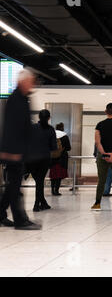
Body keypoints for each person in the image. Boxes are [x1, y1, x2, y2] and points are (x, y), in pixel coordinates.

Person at [0, 69, 41, 230]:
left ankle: (2, 214)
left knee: (13, 186)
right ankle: (20, 220)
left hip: (18, 150)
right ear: (22, 82)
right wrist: (12, 151)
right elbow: (11, 127)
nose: (33, 84)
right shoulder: (15, 99)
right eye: (30, 81)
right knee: (14, 187)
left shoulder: (22, 99)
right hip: (13, 151)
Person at [26, 109, 57, 212]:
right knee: (40, 182)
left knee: (38, 181)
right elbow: (54, 147)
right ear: (49, 118)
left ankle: (43, 202)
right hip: (44, 159)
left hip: (31, 160)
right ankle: (36, 205)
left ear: (39, 117)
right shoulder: (51, 129)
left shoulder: (32, 128)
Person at [49, 122, 71, 196]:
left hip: (53, 159)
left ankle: (52, 190)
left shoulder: (52, 135)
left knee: (53, 176)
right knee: (59, 176)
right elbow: (69, 148)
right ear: (62, 128)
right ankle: (56, 190)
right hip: (62, 159)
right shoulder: (64, 136)